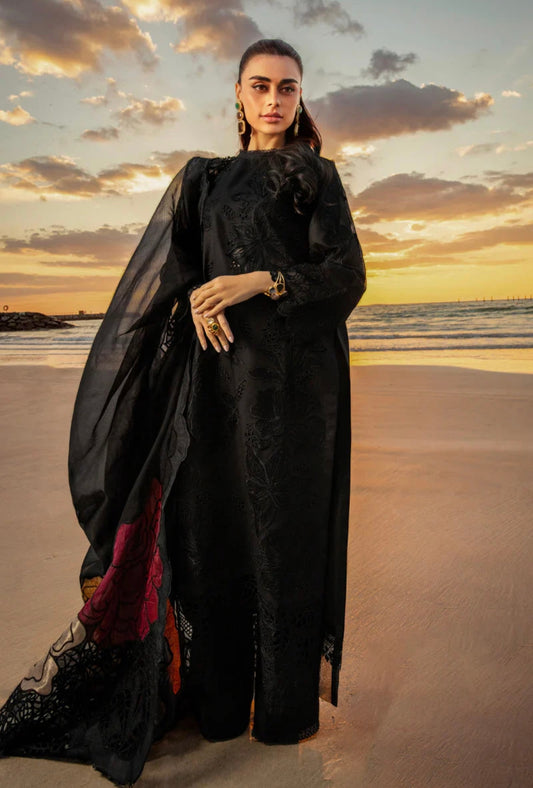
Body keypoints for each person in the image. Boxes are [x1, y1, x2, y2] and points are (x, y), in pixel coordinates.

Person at [0, 38, 366, 785]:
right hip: (212, 384)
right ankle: (220, 703)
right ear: (237, 94)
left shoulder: (314, 175)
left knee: (284, 537)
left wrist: (255, 281)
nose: (273, 100)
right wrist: (196, 298)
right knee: (209, 534)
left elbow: (345, 273)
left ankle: (283, 711)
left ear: (300, 97)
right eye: (259, 86)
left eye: (287, 88)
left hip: (295, 391)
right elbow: (174, 273)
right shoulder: (203, 178)